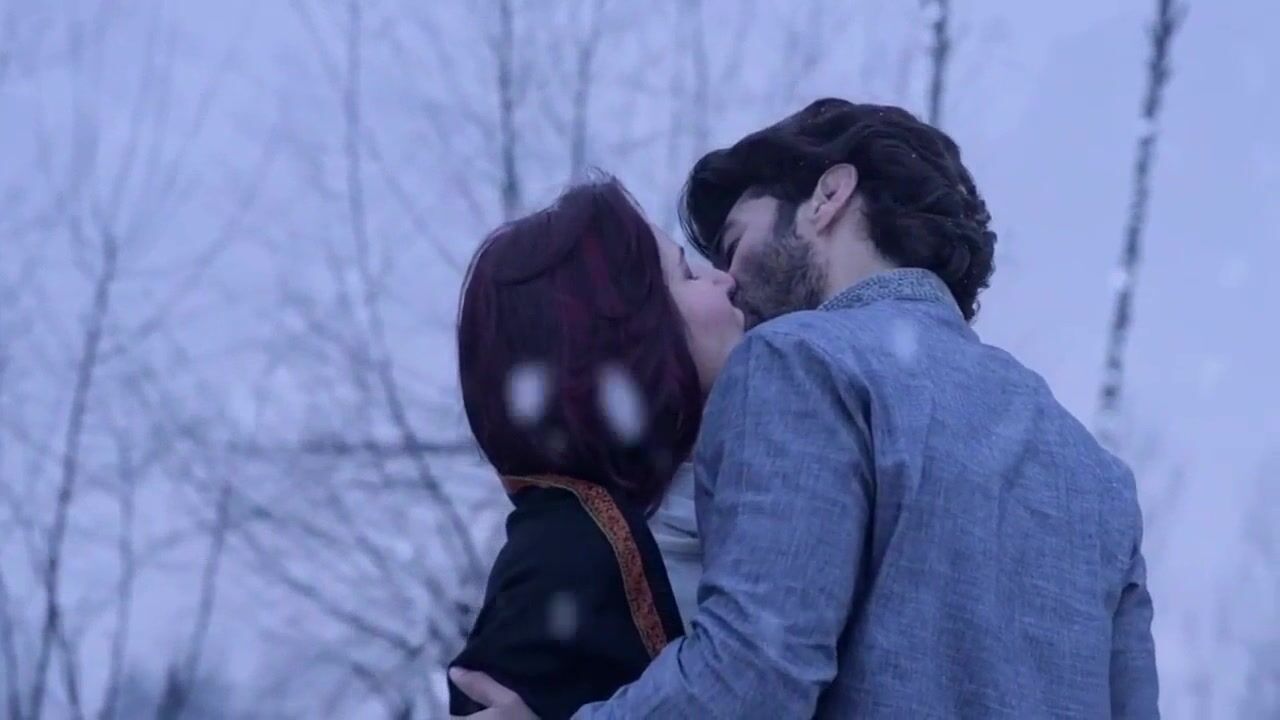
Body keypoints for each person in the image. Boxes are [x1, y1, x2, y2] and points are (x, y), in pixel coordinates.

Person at [451, 98, 1159, 719]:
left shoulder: (796, 361)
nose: (730, 281)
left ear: (828, 196)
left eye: (734, 242)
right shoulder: (1096, 476)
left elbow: (756, 675)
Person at [448, 176, 743, 719]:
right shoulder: (561, 570)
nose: (724, 279)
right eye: (686, 274)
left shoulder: (757, 494)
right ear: (633, 336)